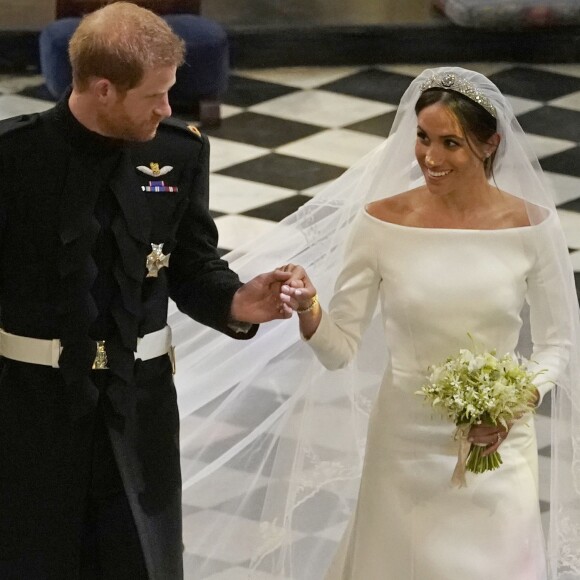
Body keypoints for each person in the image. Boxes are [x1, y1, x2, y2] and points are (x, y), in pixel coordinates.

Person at [169, 67, 580, 580]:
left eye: (451, 143)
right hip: (404, 445)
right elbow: (340, 349)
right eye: (423, 138)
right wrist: (309, 307)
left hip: (500, 443)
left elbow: (558, 344)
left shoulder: (532, 226)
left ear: (490, 143)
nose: (431, 157)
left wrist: (516, 403)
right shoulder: (382, 222)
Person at [0, 2, 295, 579]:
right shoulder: (14, 157)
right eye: (154, 95)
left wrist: (237, 301)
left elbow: (192, 265)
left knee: (143, 563)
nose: (166, 109)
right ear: (103, 88)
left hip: (140, 409)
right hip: (31, 410)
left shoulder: (179, 153)